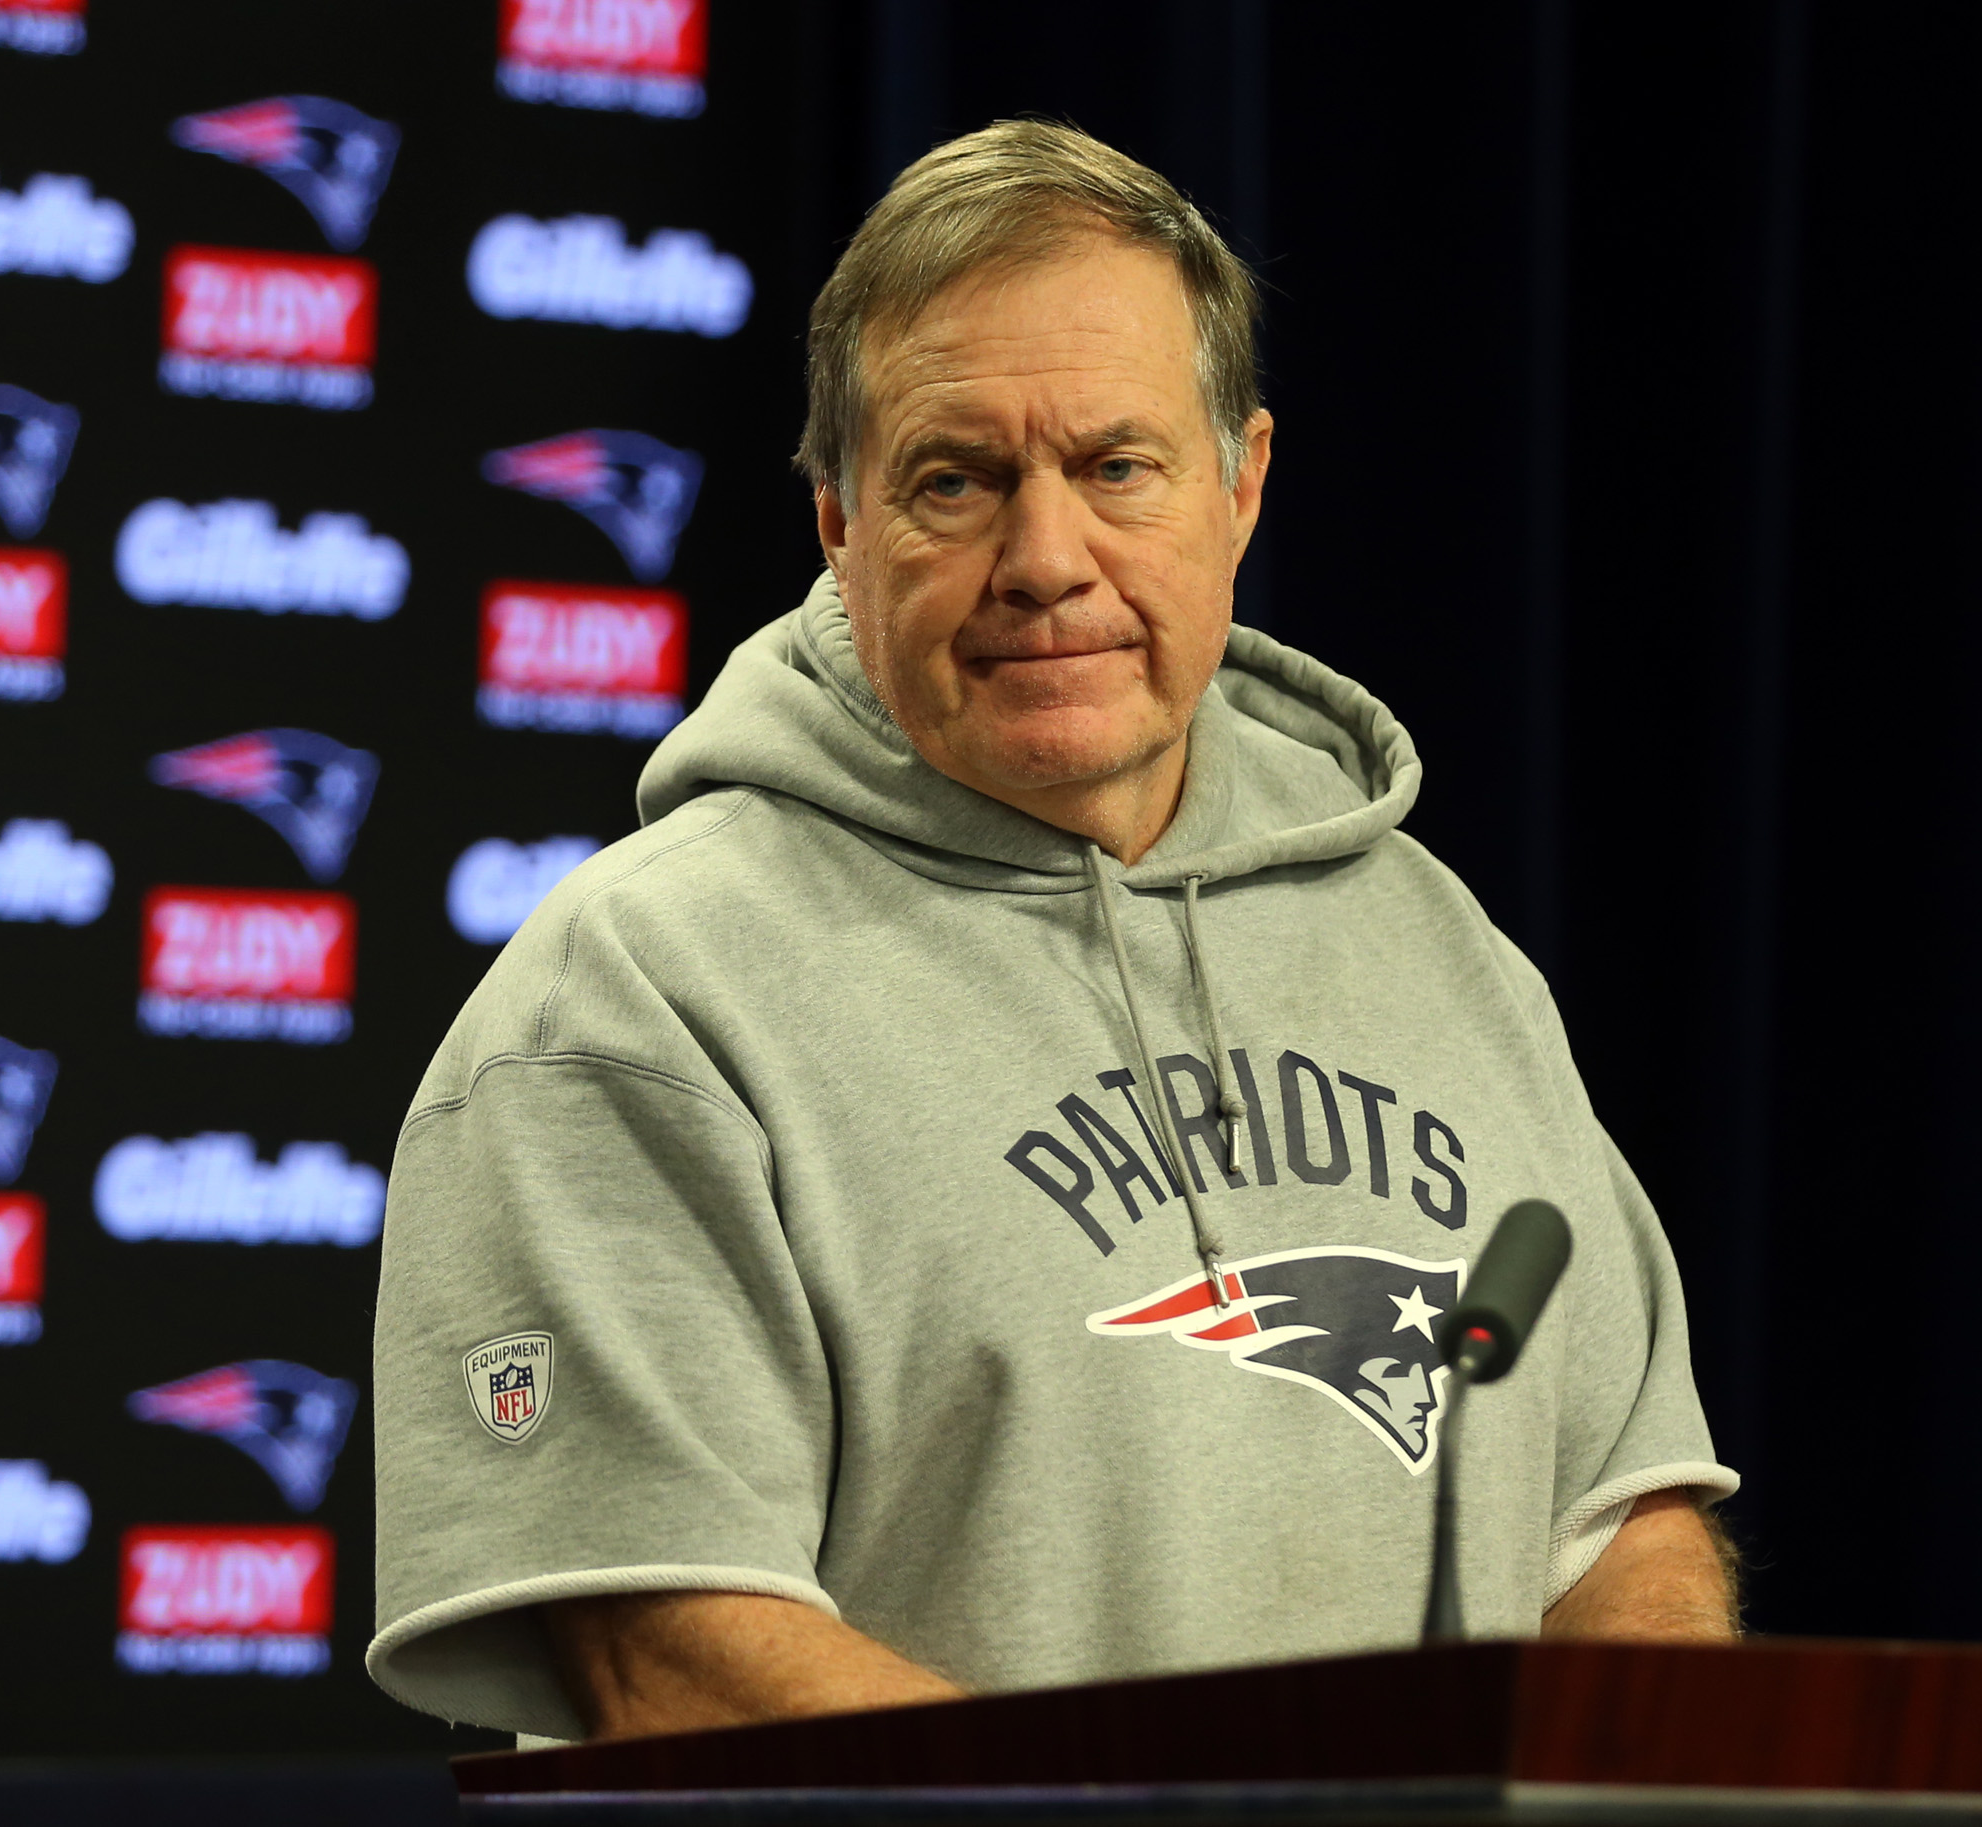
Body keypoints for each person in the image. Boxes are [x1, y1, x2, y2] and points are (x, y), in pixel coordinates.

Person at [368, 120, 1738, 1746]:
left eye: (1116, 466)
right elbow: (671, 1657)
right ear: (838, 523)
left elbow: (1623, 1520)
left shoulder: (1439, 946)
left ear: (1241, 487)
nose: (1045, 560)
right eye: (956, 480)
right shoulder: (639, 1002)